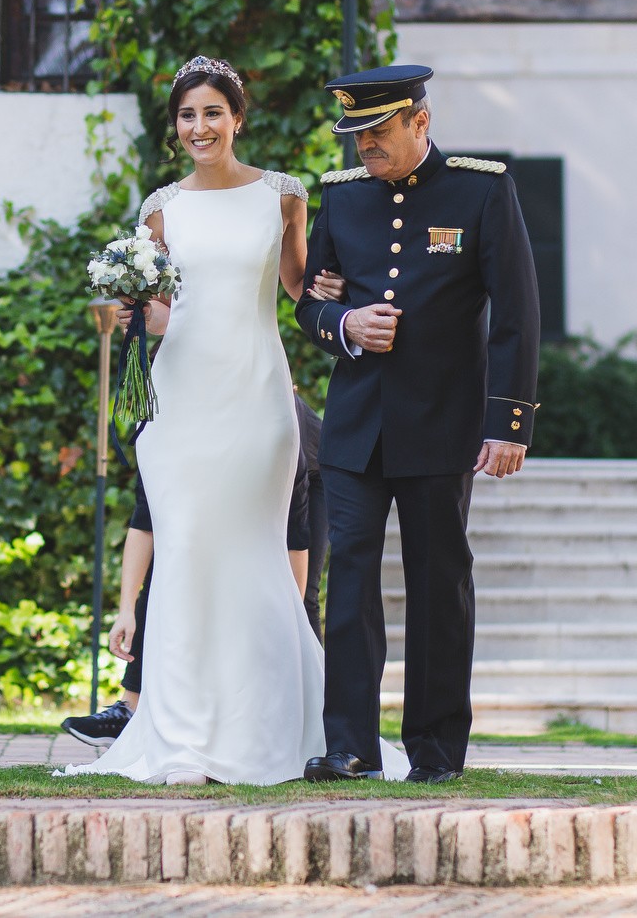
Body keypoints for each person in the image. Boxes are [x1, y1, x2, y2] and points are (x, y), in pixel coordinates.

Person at [59, 56, 404, 785]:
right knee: (184, 555)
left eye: (213, 112)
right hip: (180, 401)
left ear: (237, 118)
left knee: (254, 558)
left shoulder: (282, 195)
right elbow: (163, 310)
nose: (200, 126)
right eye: (188, 115)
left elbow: (299, 287)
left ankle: (275, 727)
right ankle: (182, 731)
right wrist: (129, 311)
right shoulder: (160, 207)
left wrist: (337, 291)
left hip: (255, 398)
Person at [297, 64, 541, 785]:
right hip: (355, 427)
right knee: (350, 587)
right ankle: (350, 746)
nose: (364, 147)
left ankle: (435, 748)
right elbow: (309, 303)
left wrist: (510, 424)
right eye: (356, 135)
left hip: (443, 424)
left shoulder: (482, 190)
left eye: (377, 133)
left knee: (439, 584)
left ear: (420, 122)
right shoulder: (341, 201)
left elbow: (518, 314)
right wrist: (345, 322)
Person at [60, 396, 325, 751]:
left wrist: (288, 616)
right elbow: (145, 521)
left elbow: (295, 535)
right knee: (172, 563)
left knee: (299, 602)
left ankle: (316, 723)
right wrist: (125, 610)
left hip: (310, 474)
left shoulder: (270, 418)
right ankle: (131, 708)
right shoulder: (164, 425)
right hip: (224, 477)